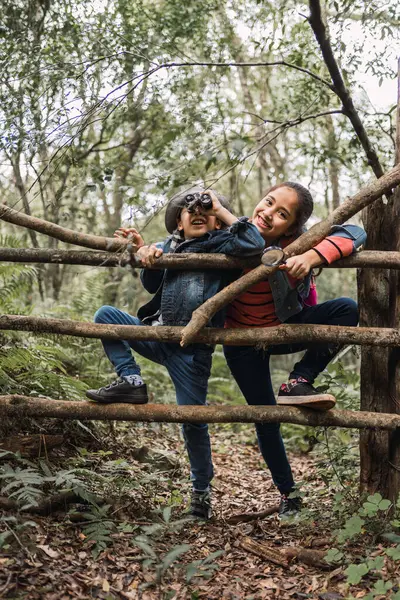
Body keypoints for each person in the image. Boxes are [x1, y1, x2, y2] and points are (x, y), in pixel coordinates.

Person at [86, 186, 265, 519]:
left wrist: (221, 212)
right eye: (189, 210)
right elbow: (151, 285)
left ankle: (200, 495)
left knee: (192, 423)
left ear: (215, 223)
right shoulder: (168, 245)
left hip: (191, 352)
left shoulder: (221, 243)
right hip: (158, 335)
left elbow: (254, 245)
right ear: (178, 223)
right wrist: (147, 255)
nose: (197, 212)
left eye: (205, 211)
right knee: (105, 317)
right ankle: (131, 380)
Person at [223, 182, 366, 519]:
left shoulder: (299, 243)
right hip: (241, 342)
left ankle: (298, 381)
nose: (268, 213)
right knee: (266, 416)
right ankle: (290, 495)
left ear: (293, 226)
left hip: (285, 328)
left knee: (345, 308)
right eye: (268, 203)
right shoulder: (235, 233)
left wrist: (312, 254)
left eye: (282, 214)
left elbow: (356, 232)